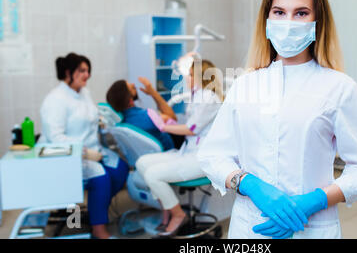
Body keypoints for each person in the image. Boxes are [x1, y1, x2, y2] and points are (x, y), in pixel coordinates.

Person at [197, 0, 357, 239]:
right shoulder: (245, 85)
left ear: (317, 21)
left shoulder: (340, 88)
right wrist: (248, 184)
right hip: (249, 227)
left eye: (301, 13)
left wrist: (315, 201)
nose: (288, 22)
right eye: (279, 12)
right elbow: (213, 154)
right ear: (267, 19)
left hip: (311, 227)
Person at [39, 53, 129, 239]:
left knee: (120, 169)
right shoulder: (56, 100)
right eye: (82, 71)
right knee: (101, 178)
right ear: (68, 72)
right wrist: (86, 153)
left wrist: (103, 122)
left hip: (93, 149)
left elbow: (91, 117)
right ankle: (99, 229)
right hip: (69, 156)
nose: (87, 75)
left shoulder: (83, 92)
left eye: (88, 70)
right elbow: (55, 137)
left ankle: (97, 211)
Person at [135, 57, 223, 237]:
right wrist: (169, 121)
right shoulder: (197, 96)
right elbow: (191, 123)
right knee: (142, 163)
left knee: (153, 174)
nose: (187, 79)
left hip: (202, 158)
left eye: (190, 75)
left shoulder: (209, 97)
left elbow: (191, 129)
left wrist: (163, 126)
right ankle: (166, 208)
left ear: (201, 76)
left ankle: (177, 214)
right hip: (188, 151)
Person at [106, 77, 177, 151]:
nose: (133, 84)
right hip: (169, 152)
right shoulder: (148, 116)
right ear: (130, 100)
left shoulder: (121, 122)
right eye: (132, 87)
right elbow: (172, 117)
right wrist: (153, 93)